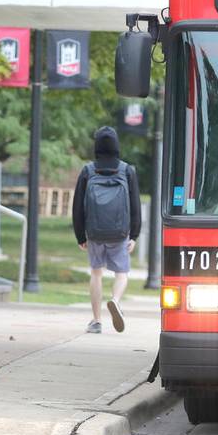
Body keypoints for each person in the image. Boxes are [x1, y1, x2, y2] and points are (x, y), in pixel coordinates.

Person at [72, 126, 141, 334]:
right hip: (119, 233)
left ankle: (96, 320)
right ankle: (116, 300)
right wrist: (134, 234)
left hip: (94, 232)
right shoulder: (127, 170)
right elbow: (135, 204)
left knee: (96, 273)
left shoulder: (88, 171)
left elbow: (77, 205)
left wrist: (80, 234)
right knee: (121, 273)